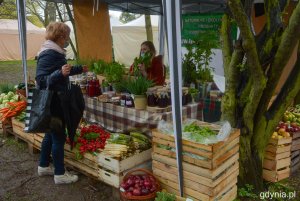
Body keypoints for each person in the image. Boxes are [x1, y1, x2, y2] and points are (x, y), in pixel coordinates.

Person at [35, 22, 88, 184]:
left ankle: (44, 166)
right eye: (66, 36)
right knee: (58, 137)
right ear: (60, 36)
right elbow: (41, 80)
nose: (67, 39)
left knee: (50, 136)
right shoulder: (49, 53)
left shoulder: (55, 52)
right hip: (54, 102)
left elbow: (62, 69)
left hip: (56, 100)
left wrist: (80, 69)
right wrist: (59, 73)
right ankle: (60, 174)